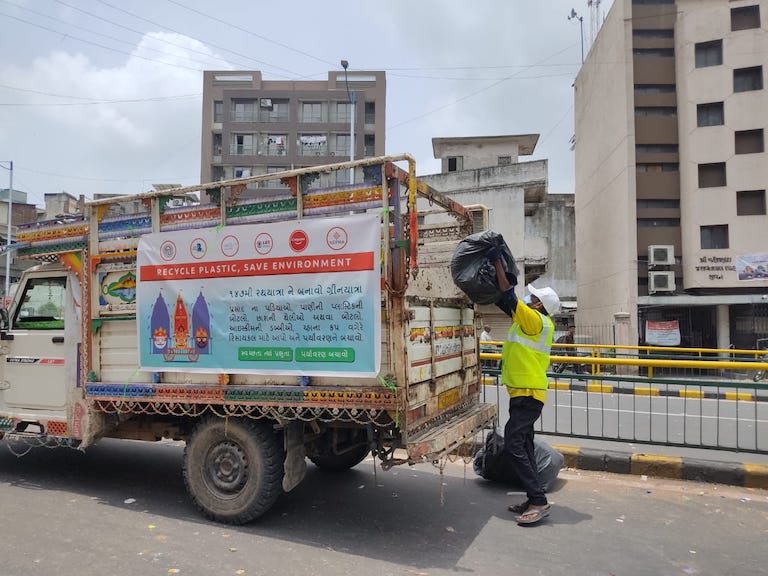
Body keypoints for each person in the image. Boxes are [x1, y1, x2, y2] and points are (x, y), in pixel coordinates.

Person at [487, 247, 560, 525]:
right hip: (524, 392)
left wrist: (496, 262)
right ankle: (533, 496)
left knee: (514, 442)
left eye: (533, 297)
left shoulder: (535, 321)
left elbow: (508, 297)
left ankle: (539, 501)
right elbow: (506, 302)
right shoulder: (529, 322)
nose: (528, 299)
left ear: (539, 305)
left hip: (529, 393)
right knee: (524, 444)